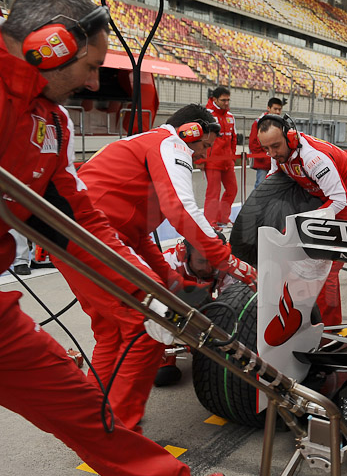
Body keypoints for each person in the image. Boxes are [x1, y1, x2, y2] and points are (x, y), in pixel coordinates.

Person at [0, 0, 226, 476]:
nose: (95, 81)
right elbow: (177, 213)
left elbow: (82, 222)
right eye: (92, 65)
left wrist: (150, 289)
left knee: (75, 396)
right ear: (49, 46)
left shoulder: (51, 124)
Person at [54, 103, 257, 434]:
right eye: (205, 146)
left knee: (111, 331)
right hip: (92, 237)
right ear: (192, 130)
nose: (203, 156)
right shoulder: (170, 143)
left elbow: (138, 235)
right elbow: (182, 209)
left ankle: (95, 417)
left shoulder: (142, 146)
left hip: (74, 237)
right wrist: (229, 260)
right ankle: (118, 435)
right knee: (149, 325)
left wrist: (172, 281)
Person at [257, 114, 347, 323]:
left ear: (290, 137)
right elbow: (271, 185)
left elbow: (339, 200)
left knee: (325, 271)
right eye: (266, 149)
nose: (272, 154)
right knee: (298, 262)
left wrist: (303, 225)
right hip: (323, 198)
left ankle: (328, 334)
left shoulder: (314, 158)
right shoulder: (278, 155)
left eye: (275, 146)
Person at [155, 232, 235, 387]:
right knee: (163, 375)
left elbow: (232, 305)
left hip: (203, 306)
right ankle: (164, 356)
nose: (208, 268)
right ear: (185, 255)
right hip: (168, 310)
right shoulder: (166, 263)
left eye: (214, 261)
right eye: (202, 261)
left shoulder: (228, 266)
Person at [203, 86, 237, 230]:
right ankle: (210, 223)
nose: (226, 103)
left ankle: (223, 217)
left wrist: (232, 158)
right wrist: (200, 160)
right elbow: (200, 139)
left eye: (228, 100)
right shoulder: (206, 115)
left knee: (232, 189)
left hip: (227, 161)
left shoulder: (230, 116)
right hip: (212, 161)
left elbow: (234, 139)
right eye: (223, 100)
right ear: (214, 99)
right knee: (213, 193)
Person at [247, 96, 283, 189]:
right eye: (275, 109)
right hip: (263, 161)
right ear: (268, 108)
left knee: (276, 186)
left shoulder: (281, 123)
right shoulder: (259, 122)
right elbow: (253, 143)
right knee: (260, 185)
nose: (278, 112)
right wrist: (262, 156)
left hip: (277, 160)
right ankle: (256, 203)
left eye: (279, 109)